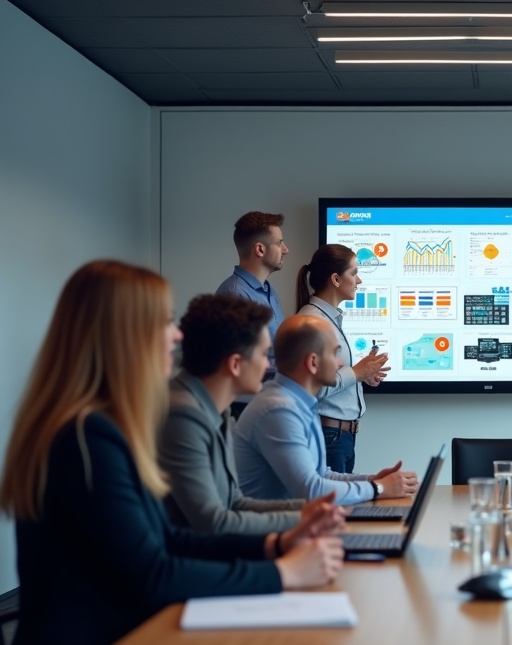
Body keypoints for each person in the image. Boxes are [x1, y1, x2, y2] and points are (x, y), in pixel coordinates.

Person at [0, 261, 343, 645]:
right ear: (124, 333)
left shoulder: (102, 428)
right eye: (164, 321)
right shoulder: (86, 439)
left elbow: (167, 538)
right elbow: (155, 573)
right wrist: (285, 574)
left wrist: (279, 543)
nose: (177, 336)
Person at [160, 293, 349, 535]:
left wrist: (311, 511)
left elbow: (235, 503)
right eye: (263, 355)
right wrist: (304, 520)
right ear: (236, 364)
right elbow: (213, 523)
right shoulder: (183, 415)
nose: (269, 365)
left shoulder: (215, 409)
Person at [235, 314, 419, 505]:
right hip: (267, 533)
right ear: (313, 362)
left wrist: (373, 480)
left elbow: (321, 474)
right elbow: (312, 490)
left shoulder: (301, 403)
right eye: (335, 353)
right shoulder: (278, 410)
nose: (341, 363)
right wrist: (379, 489)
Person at [296, 245, 390, 473]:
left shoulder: (329, 318)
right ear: (336, 279)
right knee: (335, 508)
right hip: (330, 437)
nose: (359, 281)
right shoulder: (312, 322)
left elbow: (328, 376)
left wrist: (361, 375)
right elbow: (311, 388)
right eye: (354, 273)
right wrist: (356, 372)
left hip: (341, 437)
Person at [216, 211, 289, 416]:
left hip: (269, 402)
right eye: (280, 243)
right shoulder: (234, 294)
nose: (286, 249)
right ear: (260, 249)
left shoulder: (269, 291)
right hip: (247, 408)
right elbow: (238, 362)